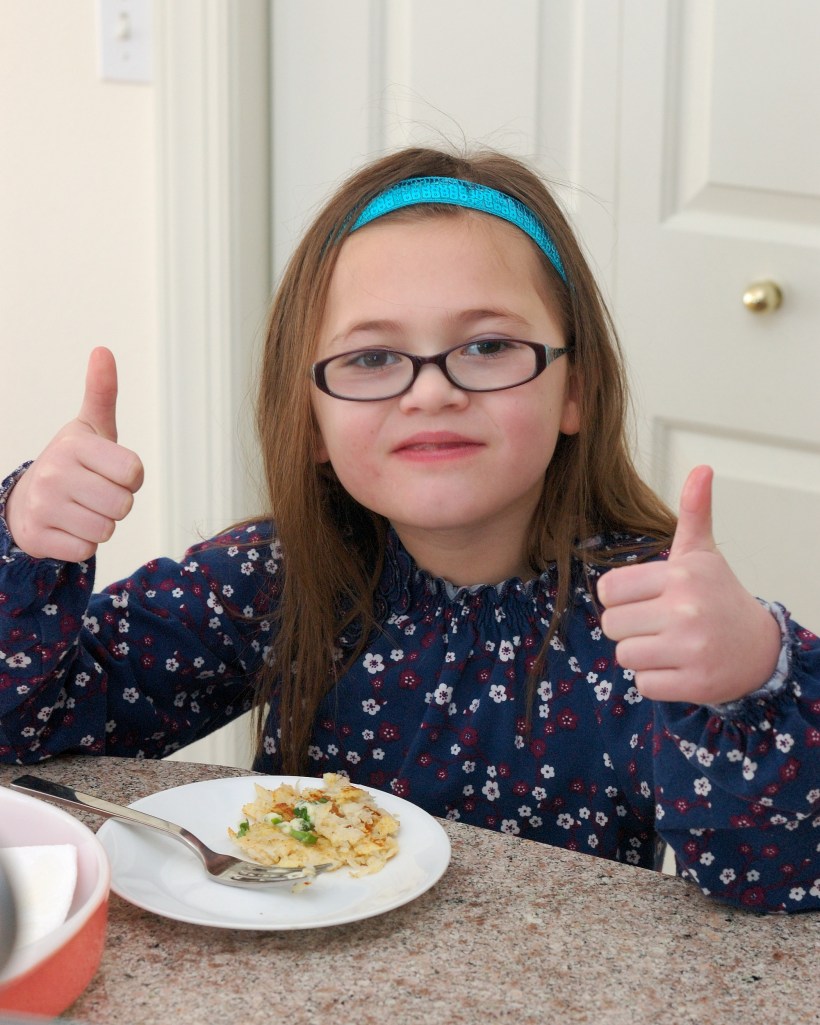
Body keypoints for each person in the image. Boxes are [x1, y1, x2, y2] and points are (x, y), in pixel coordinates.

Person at [1, 148, 818, 914]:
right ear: (312, 420)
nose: (431, 392)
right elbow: (26, 730)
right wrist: (26, 545)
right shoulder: (275, 576)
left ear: (580, 392)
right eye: (371, 359)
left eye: (489, 345)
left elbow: (781, 876)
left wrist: (755, 676)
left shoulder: (645, 617)